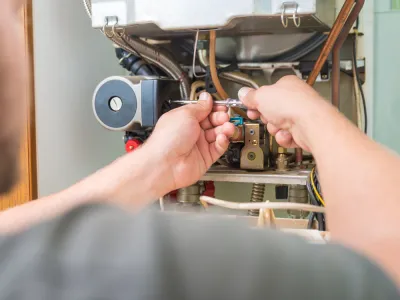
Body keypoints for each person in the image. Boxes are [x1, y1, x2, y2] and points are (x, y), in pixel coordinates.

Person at [0, 0, 398, 298]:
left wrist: (156, 166)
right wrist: (315, 118)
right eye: (15, 11)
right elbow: (388, 273)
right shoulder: (154, 262)